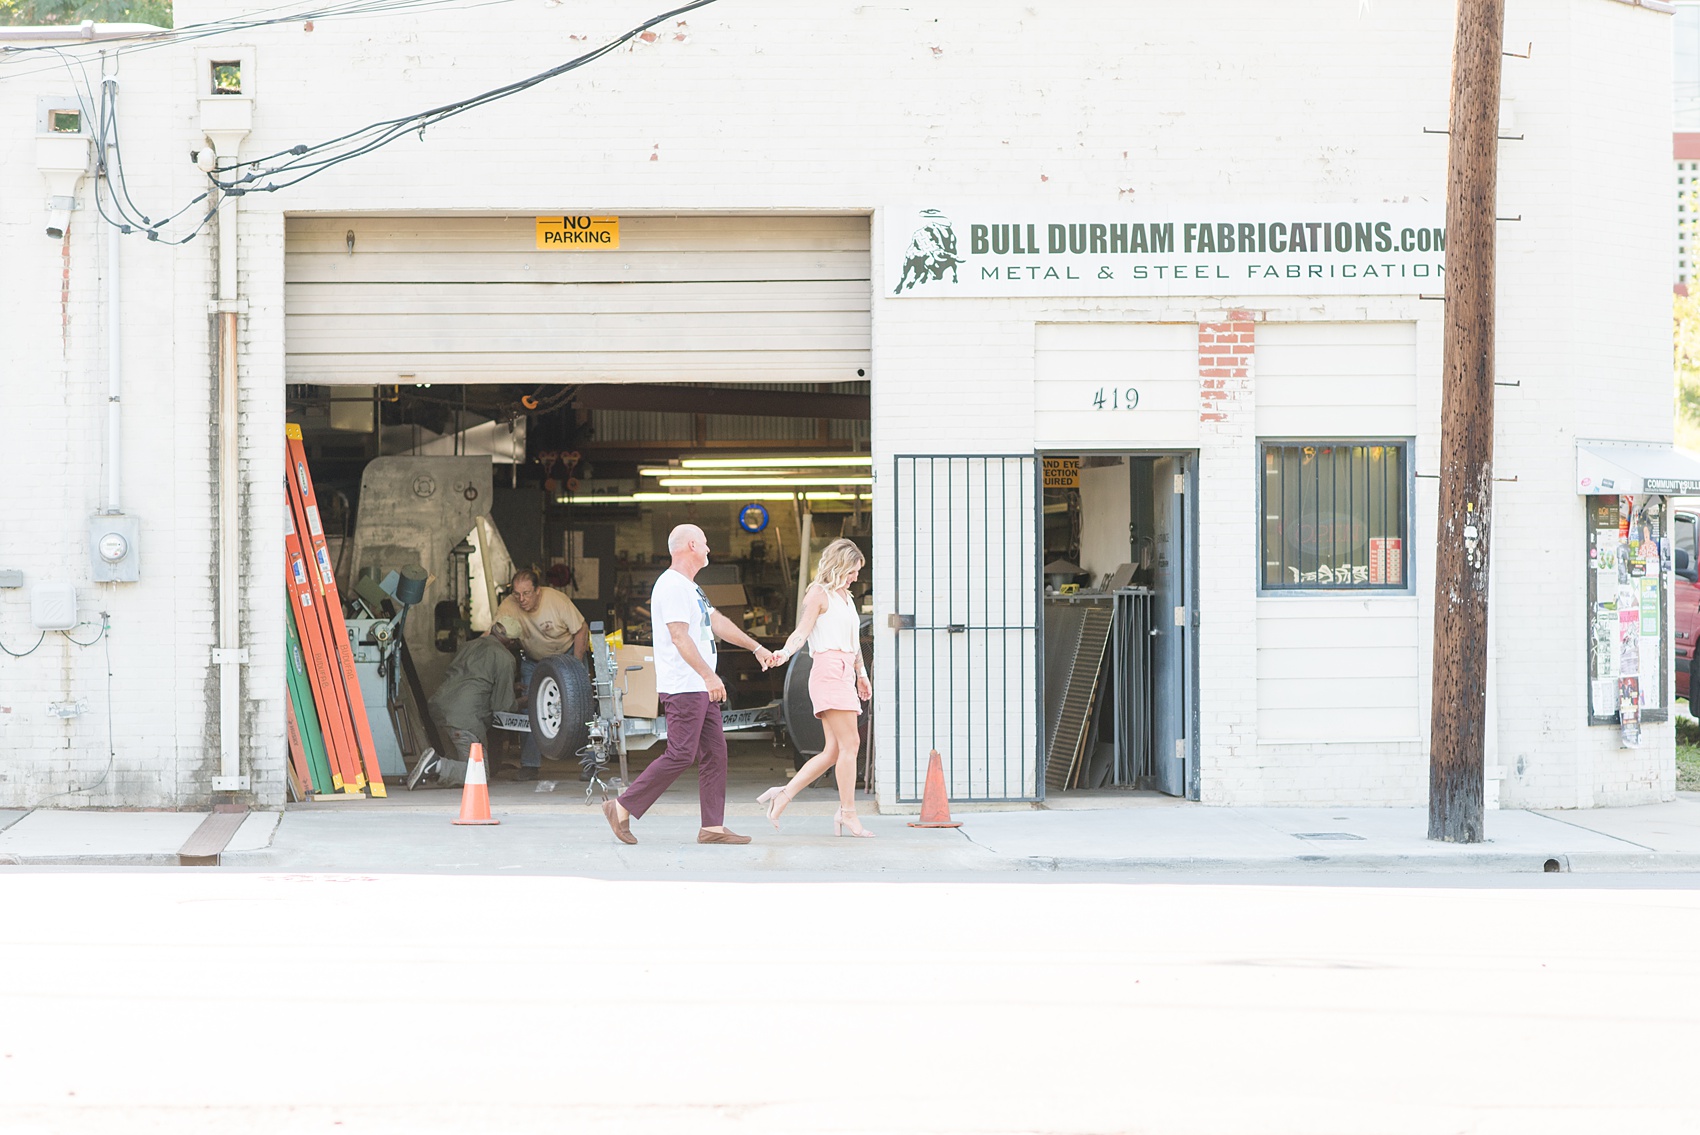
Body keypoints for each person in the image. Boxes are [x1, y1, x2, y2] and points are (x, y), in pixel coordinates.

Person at [600, 524, 773, 846]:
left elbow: (716, 622)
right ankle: (621, 806)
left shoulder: (690, 588)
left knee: (715, 753)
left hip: (698, 686)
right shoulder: (672, 586)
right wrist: (710, 676)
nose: (708, 550)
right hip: (685, 685)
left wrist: (756, 648)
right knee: (681, 753)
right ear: (692, 545)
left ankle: (713, 827)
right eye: (705, 544)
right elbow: (679, 636)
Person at [757, 538, 874, 837]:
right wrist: (783, 653)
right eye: (852, 571)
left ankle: (782, 795)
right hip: (828, 671)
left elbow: (853, 641)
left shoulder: (846, 597)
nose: (856, 577)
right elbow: (802, 631)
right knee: (851, 746)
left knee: (833, 751)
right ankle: (847, 812)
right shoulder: (818, 593)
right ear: (839, 566)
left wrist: (861, 673)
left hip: (845, 671)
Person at [496, 568, 589, 780]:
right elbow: (495, 631)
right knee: (529, 707)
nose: (521, 599)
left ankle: (589, 763)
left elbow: (581, 629)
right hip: (534, 660)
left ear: (538, 591)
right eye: (517, 594)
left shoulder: (557, 601)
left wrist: (574, 665)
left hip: (566, 655)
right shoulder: (509, 605)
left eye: (527, 593)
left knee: (581, 707)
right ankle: (529, 764)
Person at [414, 615, 524, 789]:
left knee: (460, 763)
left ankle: (434, 770)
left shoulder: (469, 645)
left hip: (440, 707)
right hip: (464, 719)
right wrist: (526, 699)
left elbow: (471, 678)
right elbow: (502, 706)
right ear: (512, 642)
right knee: (479, 775)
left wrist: (510, 686)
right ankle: (436, 765)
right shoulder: (505, 658)